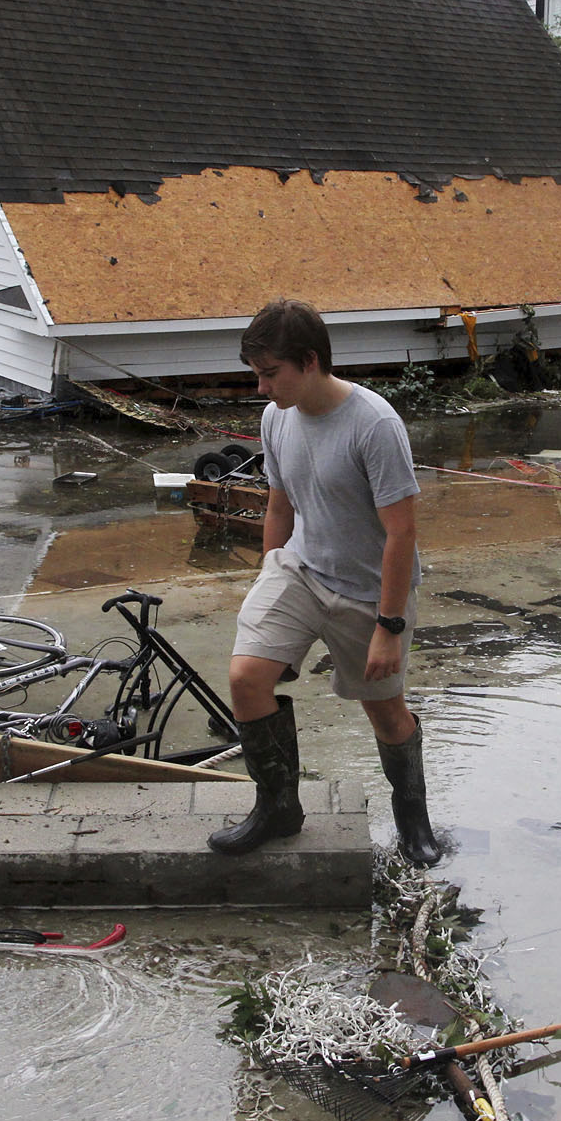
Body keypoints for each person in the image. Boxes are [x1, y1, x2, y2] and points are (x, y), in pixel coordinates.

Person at [208, 298, 442, 866]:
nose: (261, 389)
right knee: (246, 677)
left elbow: (401, 534)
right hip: (301, 571)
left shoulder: (375, 425)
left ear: (309, 362)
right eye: (256, 375)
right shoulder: (276, 418)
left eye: (270, 375)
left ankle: (414, 818)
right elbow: (280, 507)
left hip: (370, 590)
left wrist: (389, 626)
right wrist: (269, 577)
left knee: (384, 712)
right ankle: (279, 809)